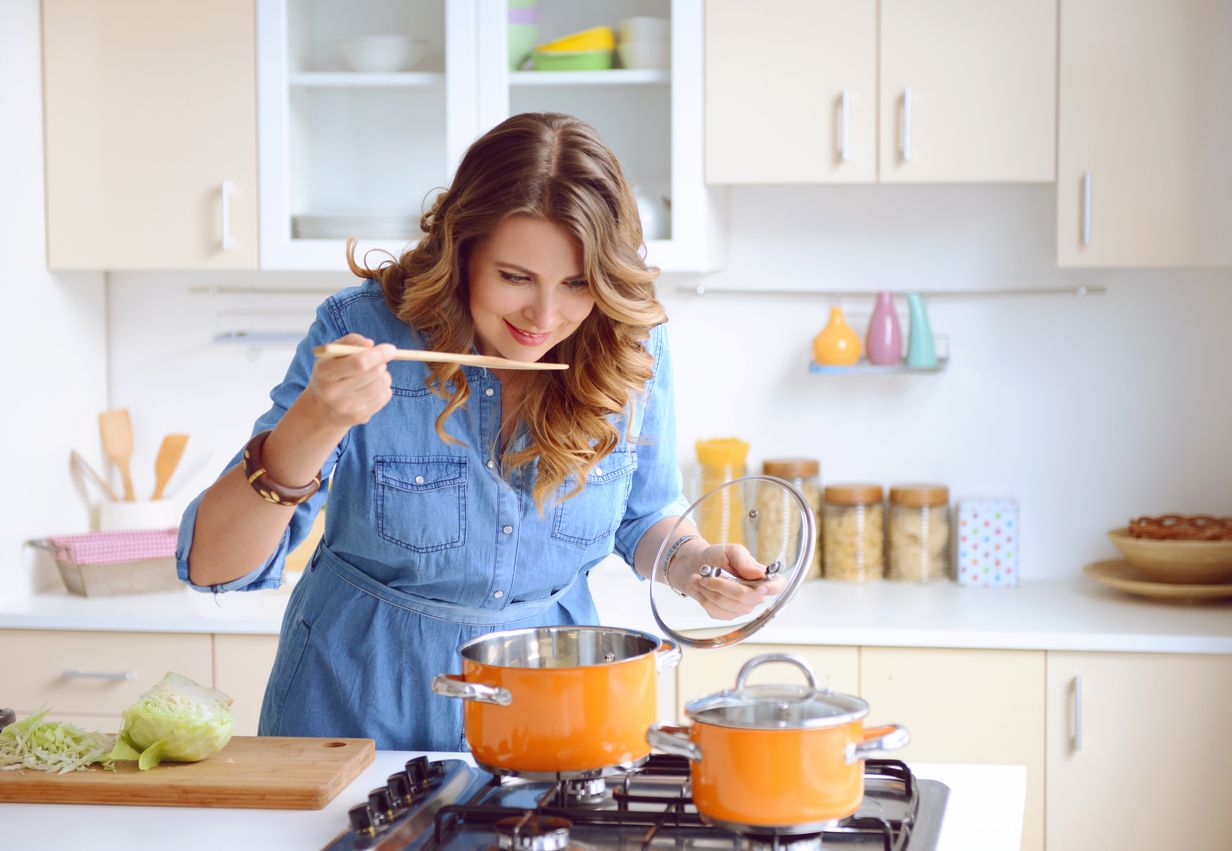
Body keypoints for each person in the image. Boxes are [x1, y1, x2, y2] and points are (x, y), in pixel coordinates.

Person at [178, 112, 780, 752]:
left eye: (577, 283)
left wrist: (696, 566)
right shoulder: (363, 331)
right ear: (461, 252)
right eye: (515, 277)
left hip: (554, 709)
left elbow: (643, 514)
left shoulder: (629, 344)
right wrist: (315, 421)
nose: (544, 316)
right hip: (355, 711)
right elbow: (214, 568)